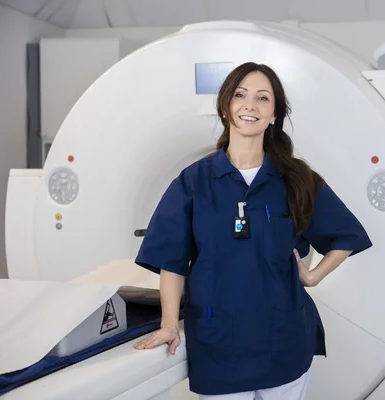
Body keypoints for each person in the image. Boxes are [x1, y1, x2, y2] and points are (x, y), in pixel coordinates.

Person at [133, 62, 372, 399]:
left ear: (274, 115)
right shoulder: (193, 181)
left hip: (284, 338)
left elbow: (346, 234)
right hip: (218, 344)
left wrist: (315, 276)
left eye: (263, 98)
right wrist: (169, 324)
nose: (250, 105)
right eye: (241, 95)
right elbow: (171, 260)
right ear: (226, 106)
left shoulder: (296, 179)